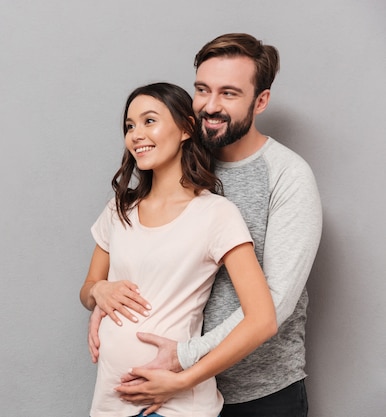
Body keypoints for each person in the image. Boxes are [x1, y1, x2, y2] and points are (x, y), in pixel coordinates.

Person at [89, 34, 323, 417]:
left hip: (258, 392)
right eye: (202, 90)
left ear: (260, 100)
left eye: (229, 93)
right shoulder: (176, 161)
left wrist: (183, 364)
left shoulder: (287, 176)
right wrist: (100, 293)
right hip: (169, 392)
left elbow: (275, 304)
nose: (210, 106)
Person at [80, 82, 277, 417]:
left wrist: (183, 381)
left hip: (175, 407)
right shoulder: (119, 210)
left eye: (149, 121)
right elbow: (87, 291)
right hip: (111, 404)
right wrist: (100, 289)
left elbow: (263, 319)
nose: (136, 134)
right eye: (130, 126)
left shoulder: (216, 214)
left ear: (186, 128)